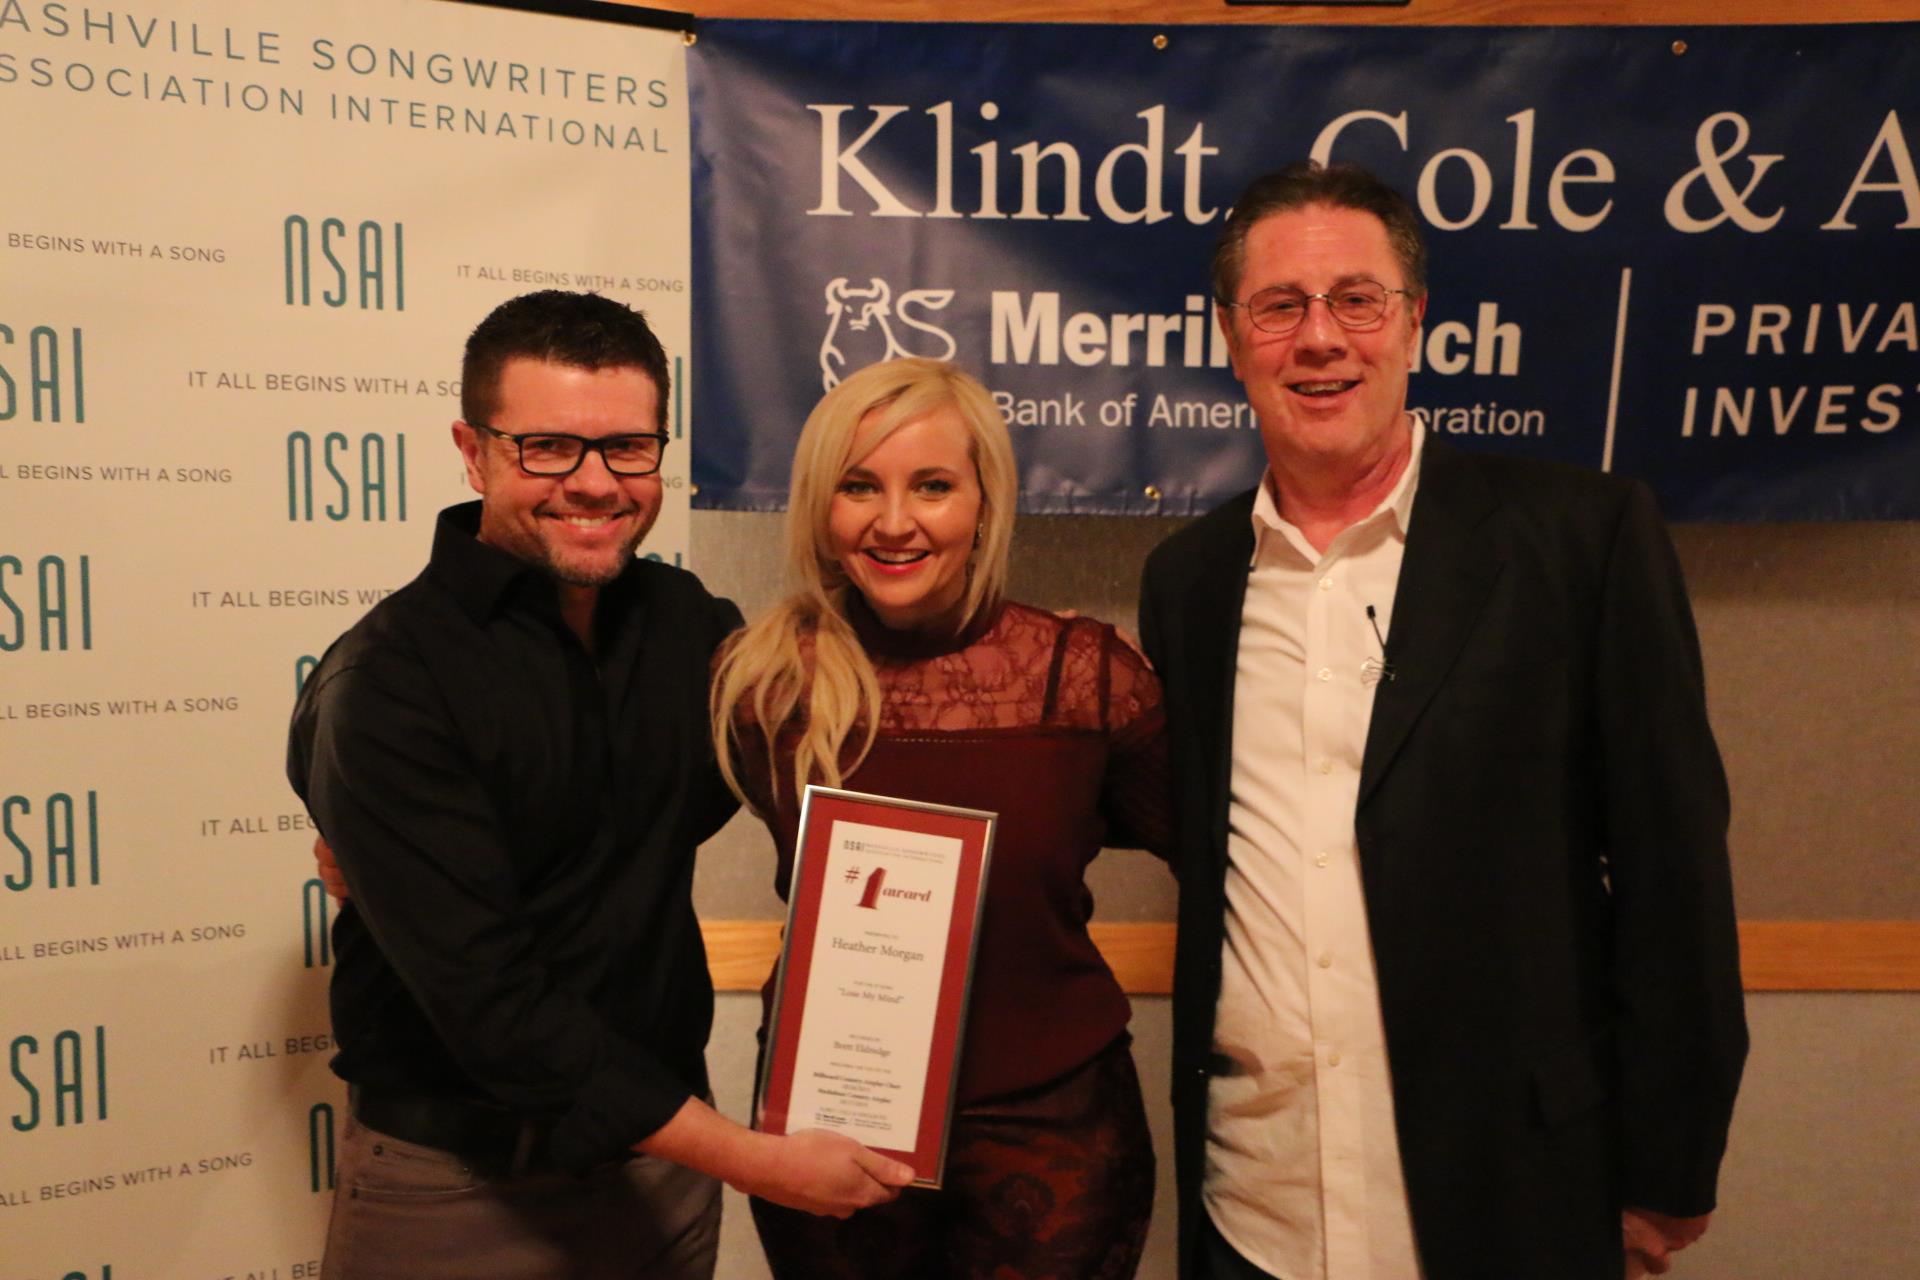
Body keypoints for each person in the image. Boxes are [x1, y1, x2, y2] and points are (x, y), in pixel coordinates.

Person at [1138, 163, 1748, 1280]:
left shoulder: (1581, 539)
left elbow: (1675, 872)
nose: (1320, 338)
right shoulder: (1189, 583)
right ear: (1230, 337)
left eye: (1356, 300)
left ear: (1416, 319)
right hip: (1256, 1211)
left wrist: (1669, 1162)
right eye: (1279, 306)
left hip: (1512, 1200)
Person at [287, 290, 912, 1280]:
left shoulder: (691, 626)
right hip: (459, 1191)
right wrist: (757, 1161)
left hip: (662, 1185)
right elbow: (497, 1010)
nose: (593, 483)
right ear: (474, 451)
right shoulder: (390, 682)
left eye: (627, 448)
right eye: (546, 447)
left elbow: (831, 763)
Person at [711, 356, 1168, 1280]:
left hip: (1052, 1131)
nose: (893, 521)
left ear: (985, 503)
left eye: (932, 485)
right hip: (834, 1126)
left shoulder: (1081, 677)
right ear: (819, 507)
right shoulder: (765, 685)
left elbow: (1227, 848)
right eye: (858, 486)